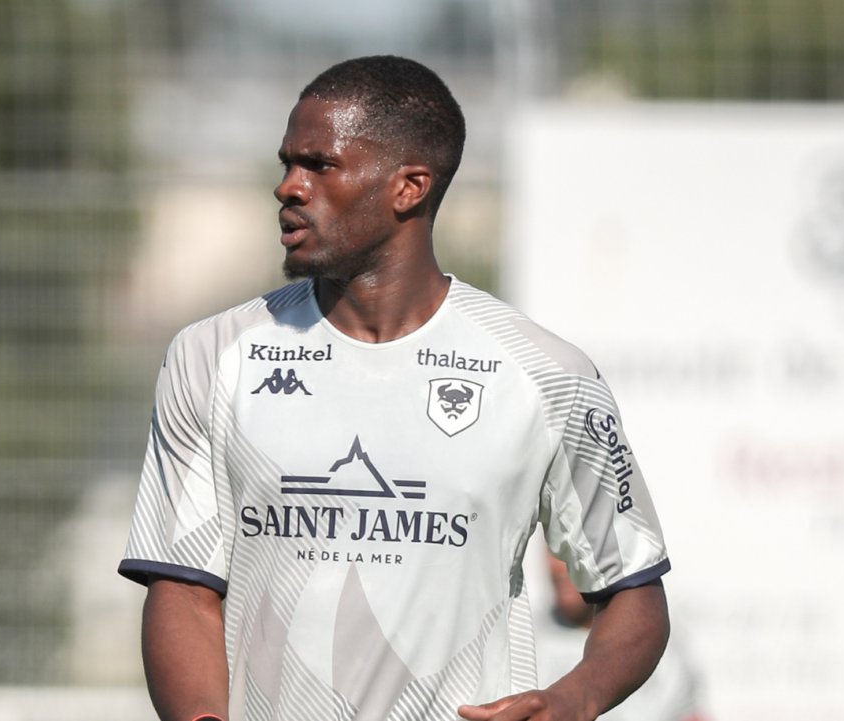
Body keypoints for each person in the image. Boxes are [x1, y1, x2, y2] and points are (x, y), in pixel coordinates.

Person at [119, 55, 671, 721]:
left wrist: (574, 697)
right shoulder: (212, 356)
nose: (288, 187)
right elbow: (182, 587)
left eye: (319, 165)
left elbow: (633, 593)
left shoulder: (548, 374)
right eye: (287, 162)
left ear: (409, 187)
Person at [533, 551, 706, 721]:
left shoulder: (656, 637)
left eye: (568, 548)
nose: (558, 565)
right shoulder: (532, 642)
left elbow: (687, 711)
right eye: (551, 548)